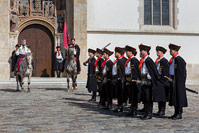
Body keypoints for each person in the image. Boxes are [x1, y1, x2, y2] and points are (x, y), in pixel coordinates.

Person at [138, 44, 161, 120]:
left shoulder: (149, 60)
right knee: (145, 98)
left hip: (148, 82)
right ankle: (146, 112)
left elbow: (153, 71)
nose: (141, 52)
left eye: (142, 50)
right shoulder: (144, 60)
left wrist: (149, 79)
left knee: (148, 98)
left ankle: (149, 113)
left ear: (146, 51)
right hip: (144, 80)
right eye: (140, 50)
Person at [168, 43, 188, 120]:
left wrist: (176, 81)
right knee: (175, 97)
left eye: (171, 50)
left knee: (178, 97)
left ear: (175, 51)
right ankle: (176, 112)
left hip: (177, 81)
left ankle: (179, 113)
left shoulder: (179, 59)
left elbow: (181, 72)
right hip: (173, 79)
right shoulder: (174, 59)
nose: (170, 51)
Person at [124, 45, 140, 116]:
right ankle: (132, 108)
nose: (126, 53)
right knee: (130, 95)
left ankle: (134, 109)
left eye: (127, 51)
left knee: (133, 95)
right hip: (128, 79)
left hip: (133, 80)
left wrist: (135, 79)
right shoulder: (129, 60)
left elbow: (136, 71)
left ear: (131, 52)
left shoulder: (134, 60)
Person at [154, 46, 170, 117]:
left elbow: (166, 71)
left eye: (159, 51)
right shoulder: (158, 60)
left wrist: (163, 77)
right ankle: (159, 109)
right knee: (159, 96)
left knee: (162, 96)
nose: (157, 52)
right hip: (158, 80)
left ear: (162, 52)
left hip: (163, 81)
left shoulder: (164, 61)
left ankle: (162, 110)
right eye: (157, 51)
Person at [112, 47, 125, 113]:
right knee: (118, 94)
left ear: (119, 53)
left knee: (120, 94)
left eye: (116, 52)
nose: (115, 53)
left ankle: (120, 106)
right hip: (117, 79)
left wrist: (121, 77)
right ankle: (119, 105)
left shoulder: (121, 61)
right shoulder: (118, 61)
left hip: (120, 80)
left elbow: (123, 70)